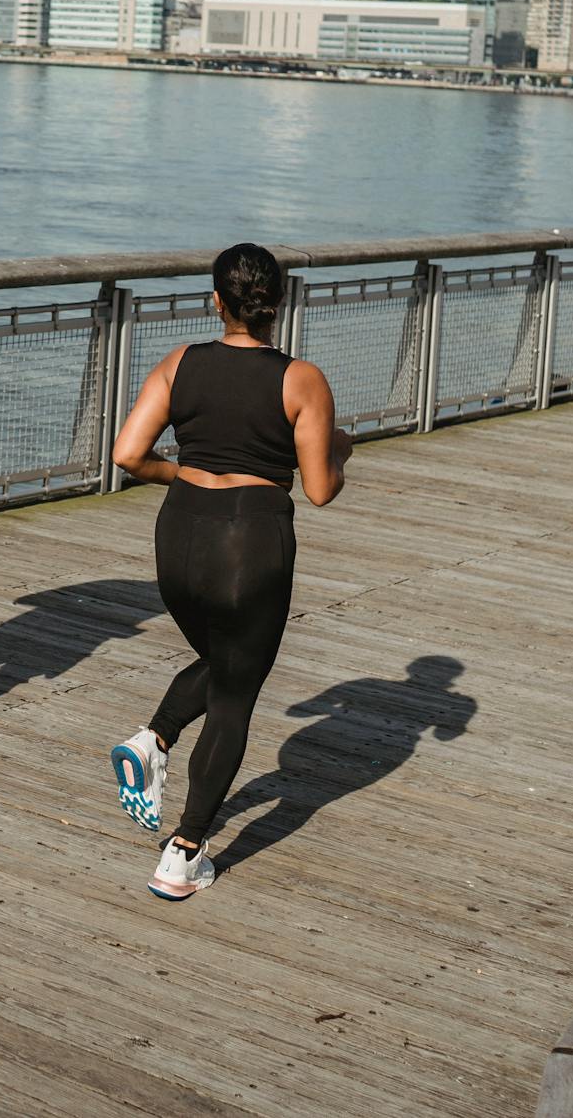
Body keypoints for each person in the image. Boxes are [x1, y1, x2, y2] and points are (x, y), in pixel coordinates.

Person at [107, 243, 352, 899]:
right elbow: (322, 488)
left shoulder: (179, 362)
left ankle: (154, 738)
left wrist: (182, 471)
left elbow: (128, 453)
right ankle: (183, 852)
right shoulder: (301, 379)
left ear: (215, 301)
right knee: (236, 691)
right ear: (281, 302)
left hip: (178, 535)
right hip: (250, 540)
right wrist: (338, 450)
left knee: (225, 658)